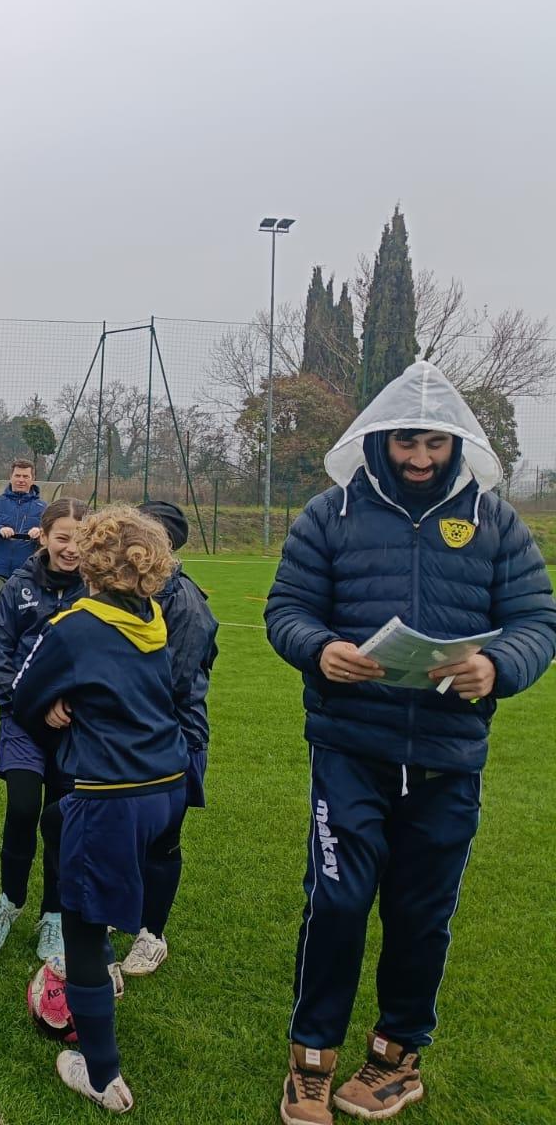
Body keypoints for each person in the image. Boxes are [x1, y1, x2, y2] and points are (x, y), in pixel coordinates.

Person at [266, 360, 556, 1125]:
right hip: (349, 748)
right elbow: (288, 609)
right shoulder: (328, 515)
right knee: (337, 900)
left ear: (457, 442)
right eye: (406, 444)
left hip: (448, 757)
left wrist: (497, 666)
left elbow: (537, 622)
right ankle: (311, 1062)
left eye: (434, 443)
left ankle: (396, 1059)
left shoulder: (496, 522)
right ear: (377, 441)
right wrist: (318, 649)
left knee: (422, 914)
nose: (421, 459)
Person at [10, 505, 187, 1113]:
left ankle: (100, 1071)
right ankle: (116, 958)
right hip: (168, 783)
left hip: (112, 792)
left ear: (89, 560)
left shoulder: (75, 623)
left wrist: (55, 702)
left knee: (82, 923)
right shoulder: (155, 616)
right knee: (59, 825)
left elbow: (24, 693)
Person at [0, 496, 89, 959]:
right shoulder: (18, 585)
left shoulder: (97, 590)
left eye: (81, 540)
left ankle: (54, 916)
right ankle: (10, 901)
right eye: (63, 537)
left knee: (61, 820)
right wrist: (32, 707)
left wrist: (76, 706)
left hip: (76, 729)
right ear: (43, 536)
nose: (72, 548)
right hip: (24, 720)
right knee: (23, 807)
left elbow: (108, 659)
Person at [119, 500, 218, 977]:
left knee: (162, 840)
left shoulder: (185, 604)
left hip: (173, 738)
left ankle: (151, 934)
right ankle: (125, 914)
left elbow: (170, 684)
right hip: (126, 734)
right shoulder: (125, 591)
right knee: (123, 834)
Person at [0, 458, 46, 595]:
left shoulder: (43, 508)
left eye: (25, 476)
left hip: (27, 573)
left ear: (33, 479)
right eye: (17, 475)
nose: (21, 480)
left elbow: (53, 535)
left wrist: (41, 532)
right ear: (10, 477)